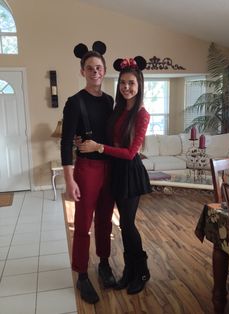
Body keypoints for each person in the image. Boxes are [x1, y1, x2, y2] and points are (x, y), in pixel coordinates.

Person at [78, 56, 152, 295]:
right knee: (123, 226)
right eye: (123, 83)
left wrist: (99, 147)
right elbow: (106, 135)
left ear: (139, 86)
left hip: (130, 173)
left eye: (131, 83)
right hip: (114, 171)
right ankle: (129, 272)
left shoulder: (142, 114)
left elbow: (131, 153)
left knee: (128, 225)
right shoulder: (117, 109)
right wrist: (80, 139)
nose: (126, 87)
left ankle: (140, 271)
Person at [60, 41, 116, 304]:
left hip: (110, 168)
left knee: (105, 220)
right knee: (83, 224)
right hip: (87, 169)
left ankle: (104, 263)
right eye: (90, 68)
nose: (95, 71)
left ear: (104, 71)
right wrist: (70, 179)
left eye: (99, 68)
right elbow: (65, 142)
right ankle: (82, 274)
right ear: (82, 71)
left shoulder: (109, 101)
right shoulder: (74, 102)